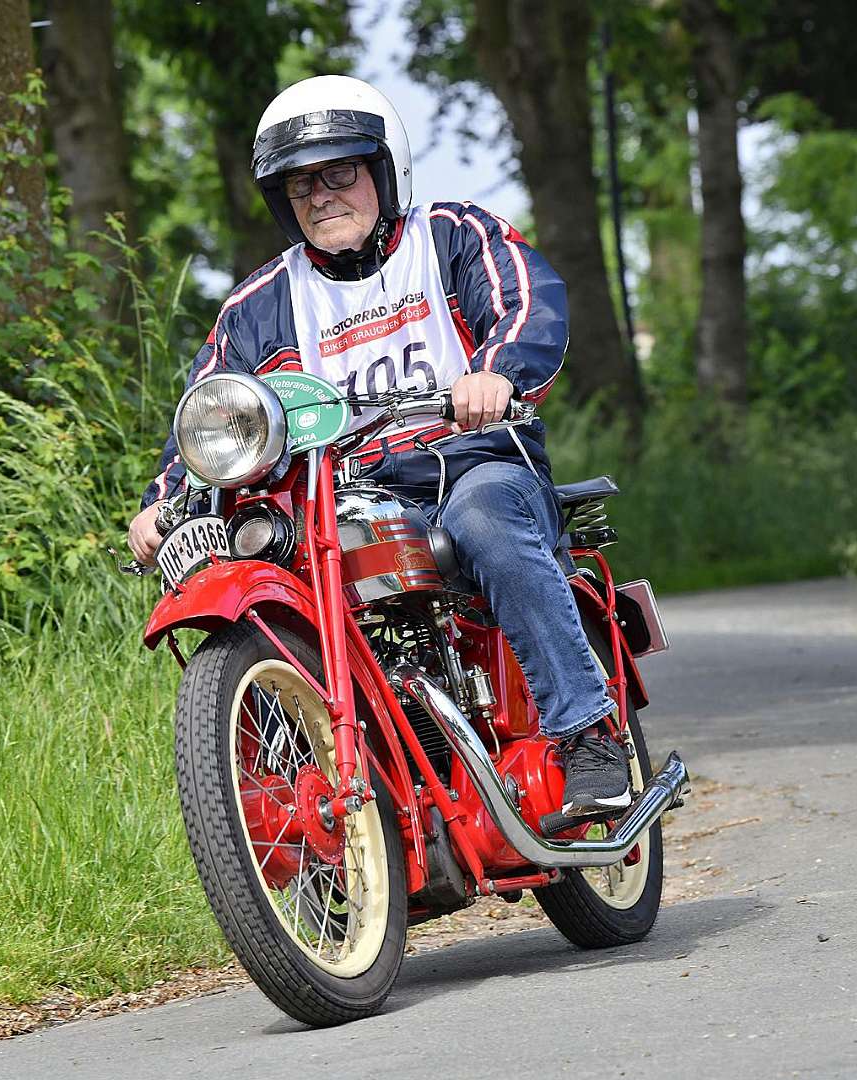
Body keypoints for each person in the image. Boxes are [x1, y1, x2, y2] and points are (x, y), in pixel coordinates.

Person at [126, 76, 629, 815]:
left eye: (340, 173)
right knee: (260, 576)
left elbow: (526, 303)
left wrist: (496, 372)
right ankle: (311, 798)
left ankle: (587, 736)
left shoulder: (452, 236)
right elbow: (213, 414)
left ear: (384, 171)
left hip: (471, 464)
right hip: (339, 497)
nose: (321, 196)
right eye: (300, 184)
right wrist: (164, 502)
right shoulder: (258, 305)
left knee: (486, 520)